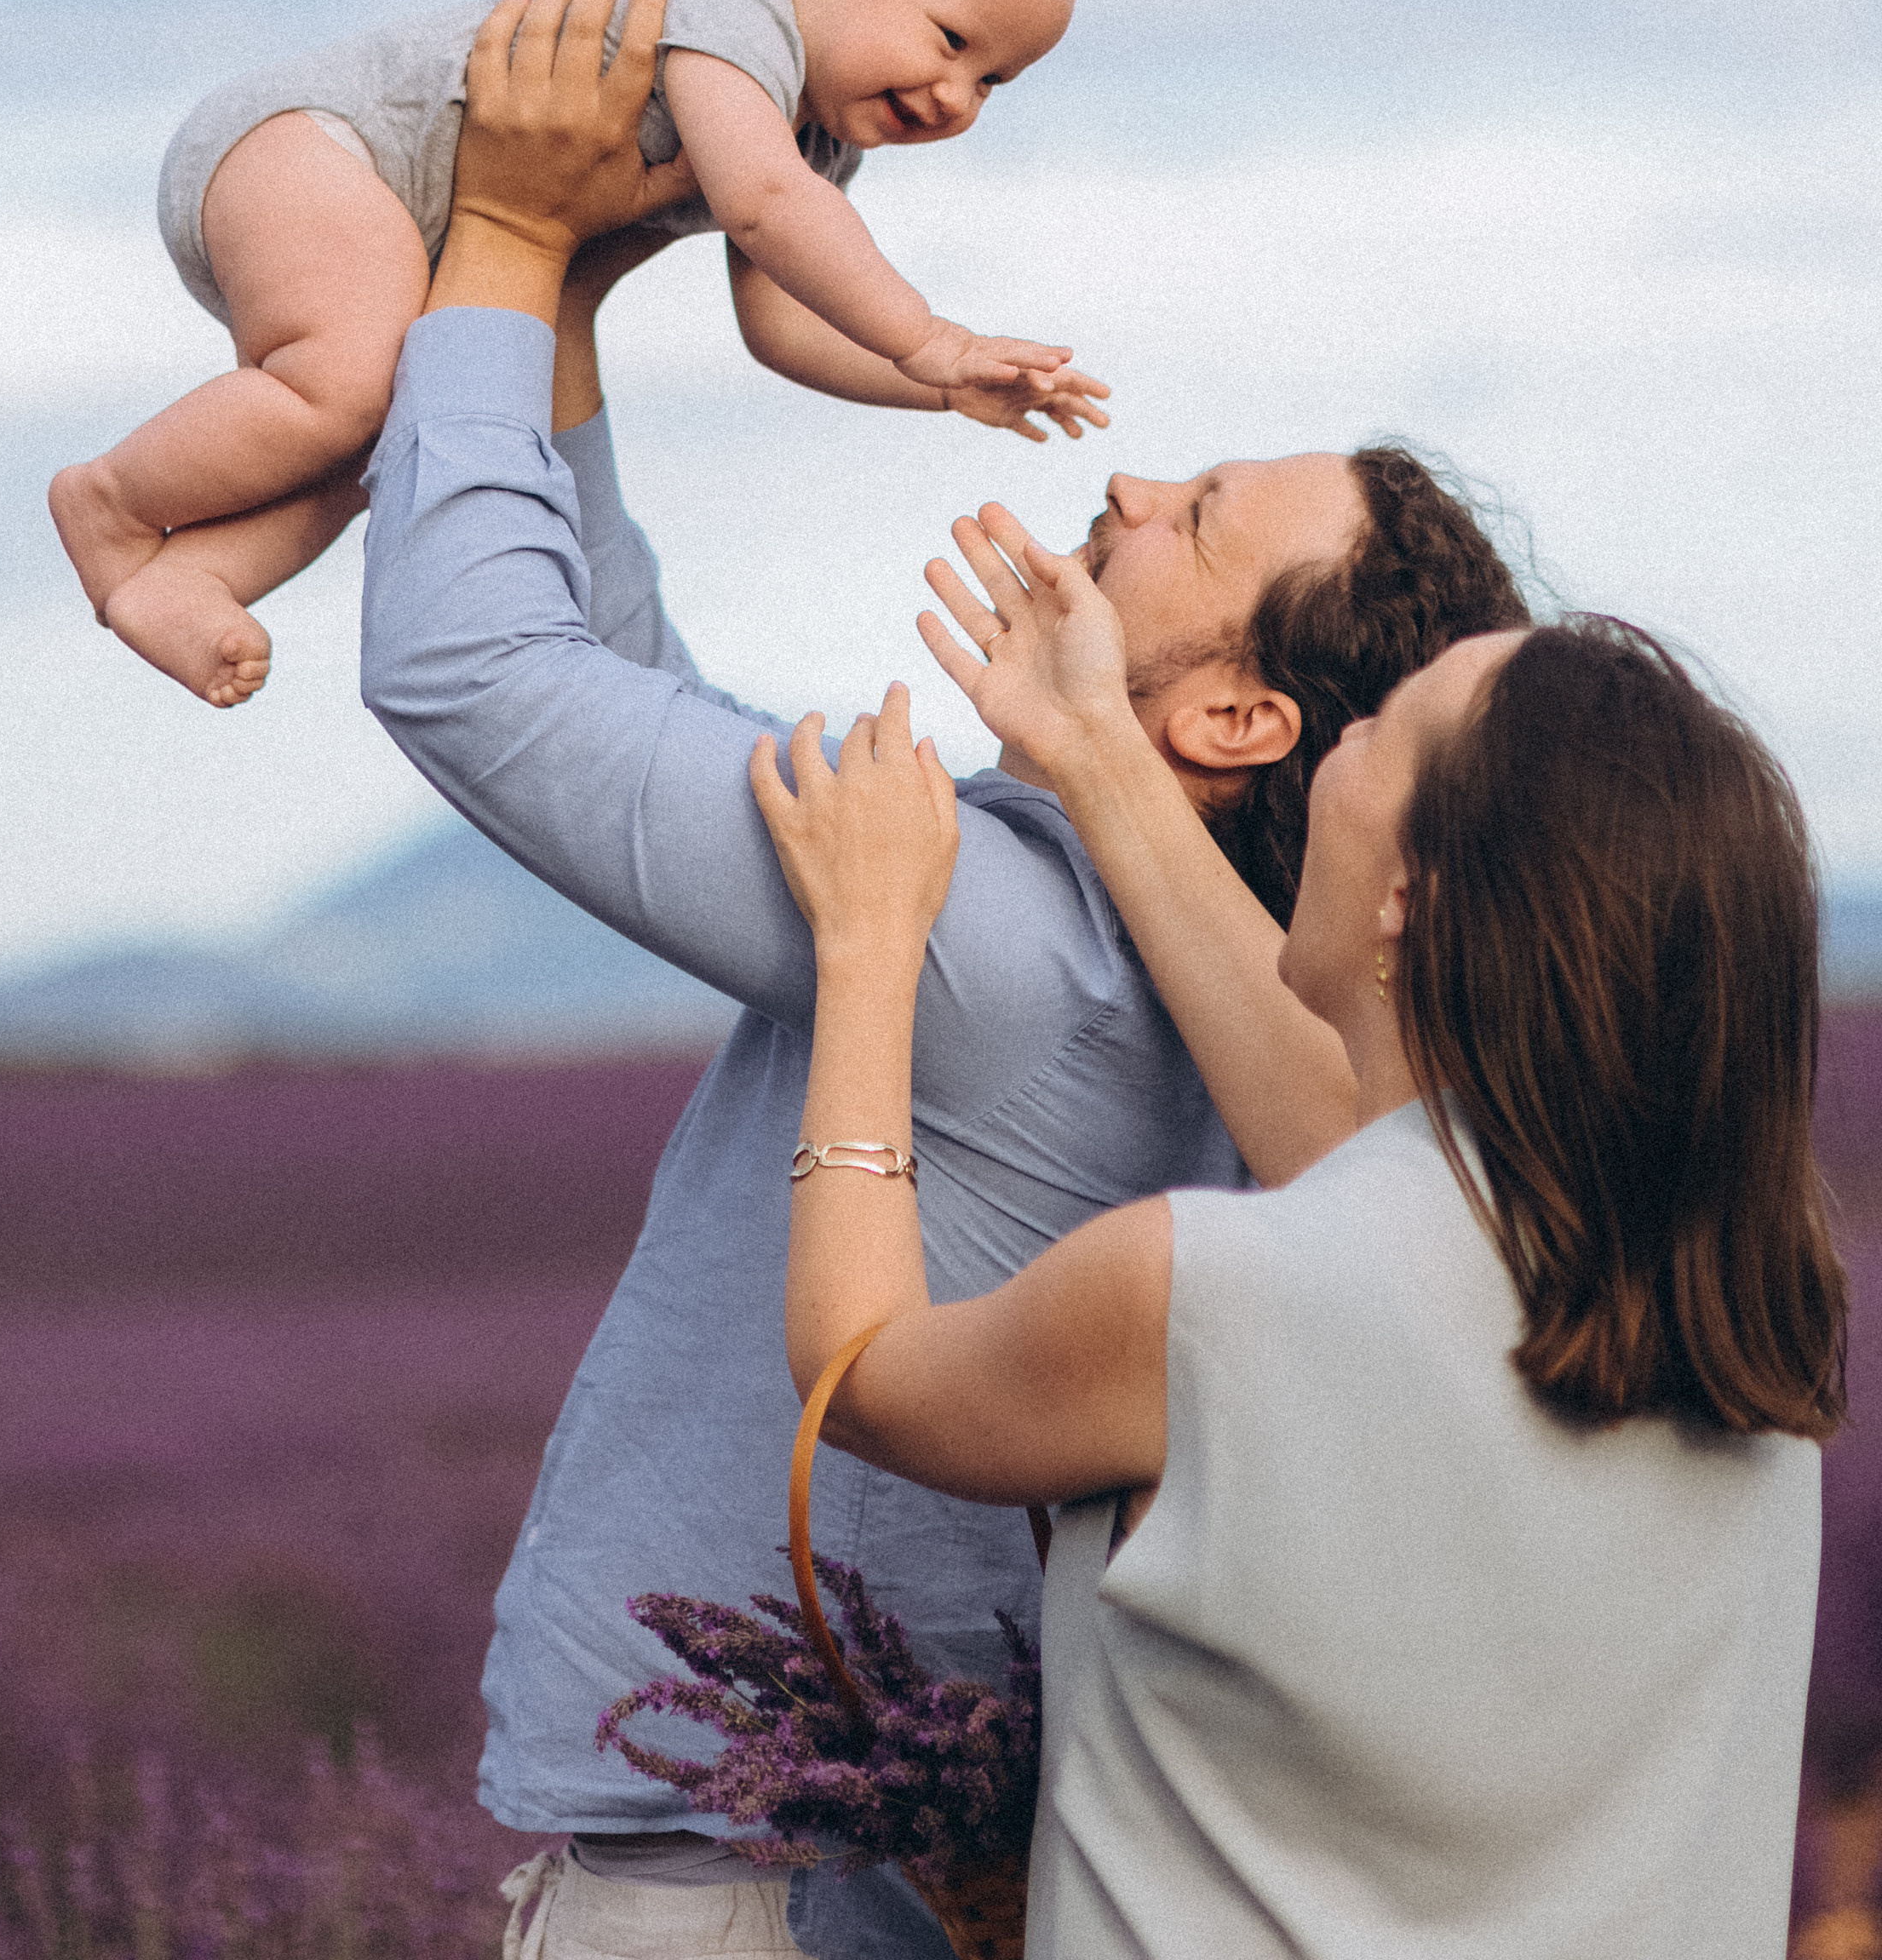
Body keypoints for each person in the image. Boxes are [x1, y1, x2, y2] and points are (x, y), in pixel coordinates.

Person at [357, 0, 1531, 1960]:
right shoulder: (1185, 966)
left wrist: (492, 235)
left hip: (733, 1872)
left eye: (1199, 518)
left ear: (1239, 721)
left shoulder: (991, 937)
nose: (1135, 484)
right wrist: (562, 316)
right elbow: (640, 701)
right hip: (902, 1857)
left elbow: (472, 674)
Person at [756, 593, 1846, 1957]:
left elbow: (857, 1371)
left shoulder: (1208, 1296)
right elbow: (1373, 1168)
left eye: (1382, 728)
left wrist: (864, 948)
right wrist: (1097, 744)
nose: (1339, 740)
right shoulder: (1749, 1349)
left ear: (1411, 894)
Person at [48, 0, 1105, 710]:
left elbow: (781, 327)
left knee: (393, 427)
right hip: (311, 149)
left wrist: (943, 391)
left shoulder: (813, 139)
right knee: (350, 380)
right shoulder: (738, 24)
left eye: (994, 83)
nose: (955, 99)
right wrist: (930, 340)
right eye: (952, 43)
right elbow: (763, 206)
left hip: (384, 216)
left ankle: (190, 576)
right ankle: (111, 500)